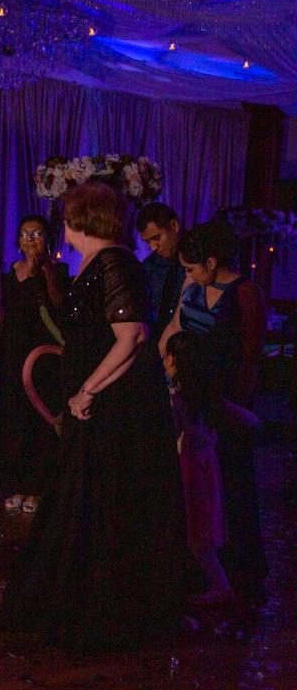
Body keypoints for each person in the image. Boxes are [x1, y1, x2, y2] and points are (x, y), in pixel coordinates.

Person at [0, 180, 190, 652]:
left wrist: (87, 389)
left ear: (82, 220)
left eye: (66, 218)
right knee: (83, 498)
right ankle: (71, 597)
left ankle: (99, 606)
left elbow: (132, 336)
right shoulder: (98, 263)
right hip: (98, 406)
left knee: (100, 498)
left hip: (112, 409)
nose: (61, 227)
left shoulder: (115, 262)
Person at [160, 219, 268, 598]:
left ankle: (236, 572)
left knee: (229, 483)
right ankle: (197, 570)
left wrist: (229, 407)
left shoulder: (245, 293)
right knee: (192, 489)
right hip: (189, 389)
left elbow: (250, 358)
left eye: (191, 268)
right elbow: (174, 328)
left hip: (222, 396)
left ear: (211, 261)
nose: (187, 274)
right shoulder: (193, 285)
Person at [164, 331, 259, 606]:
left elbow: (172, 433)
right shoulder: (206, 396)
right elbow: (251, 420)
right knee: (199, 531)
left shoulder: (178, 398)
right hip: (207, 468)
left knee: (195, 533)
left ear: (173, 359)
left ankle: (220, 587)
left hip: (190, 471)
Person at [0, 214, 66, 514]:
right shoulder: (11, 271)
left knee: (41, 420)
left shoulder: (56, 270)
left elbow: (58, 305)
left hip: (42, 355)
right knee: (15, 419)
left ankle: (40, 487)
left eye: (36, 233)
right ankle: (17, 483)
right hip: (14, 352)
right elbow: (3, 311)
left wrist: (45, 272)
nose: (30, 239)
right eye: (25, 234)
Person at [137, 202, 186, 346]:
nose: (153, 247)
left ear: (174, 226)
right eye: (147, 242)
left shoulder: (198, 256)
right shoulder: (150, 265)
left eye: (156, 238)